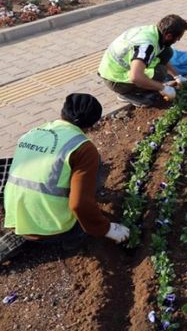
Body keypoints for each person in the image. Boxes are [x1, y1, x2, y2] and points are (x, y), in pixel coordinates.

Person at [1, 94, 129, 262]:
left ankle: (26, 230)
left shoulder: (33, 132)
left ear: (63, 112)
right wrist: (106, 229)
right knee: (84, 218)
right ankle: (68, 240)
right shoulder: (82, 147)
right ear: (93, 124)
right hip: (49, 227)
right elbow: (78, 205)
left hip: (14, 213)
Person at [98, 14, 187, 106]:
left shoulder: (153, 31)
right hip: (115, 79)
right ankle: (125, 95)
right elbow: (135, 77)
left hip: (113, 68)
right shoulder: (146, 45)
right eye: (178, 38)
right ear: (168, 36)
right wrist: (163, 88)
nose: (178, 40)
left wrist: (177, 76)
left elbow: (163, 55)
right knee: (160, 73)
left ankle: (148, 85)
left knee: (167, 51)